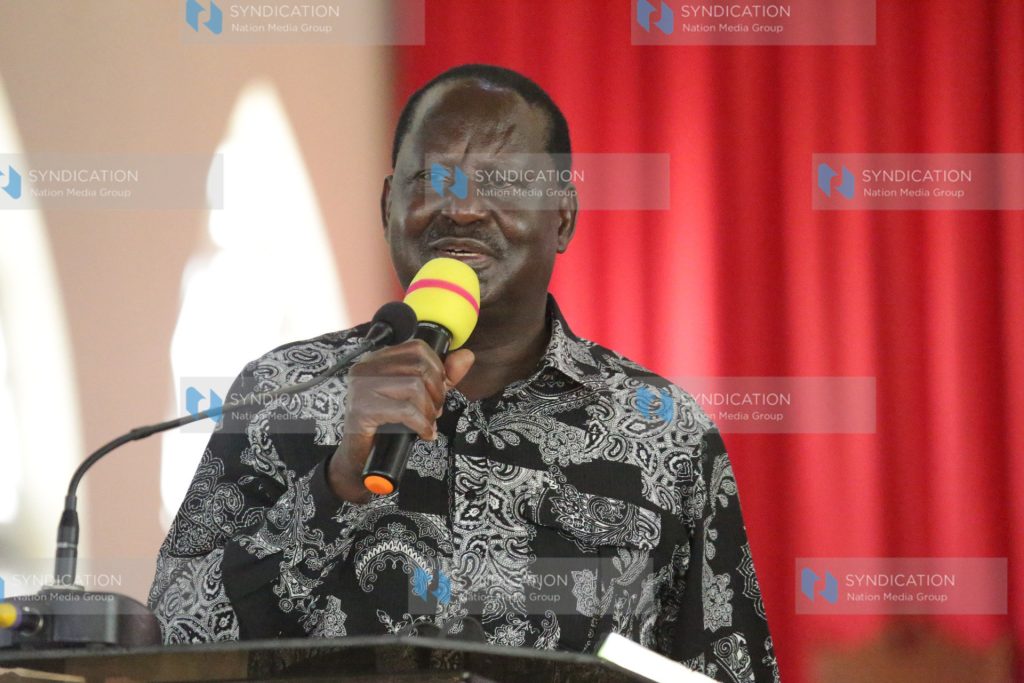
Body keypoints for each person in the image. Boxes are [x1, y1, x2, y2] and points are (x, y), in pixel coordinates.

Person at [149, 63, 780, 682]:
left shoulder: (665, 432)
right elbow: (176, 639)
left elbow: (730, 668)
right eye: (432, 179)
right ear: (388, 206)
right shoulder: (286, 392)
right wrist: (335, 485)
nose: (464, 210)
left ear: (562, 217)